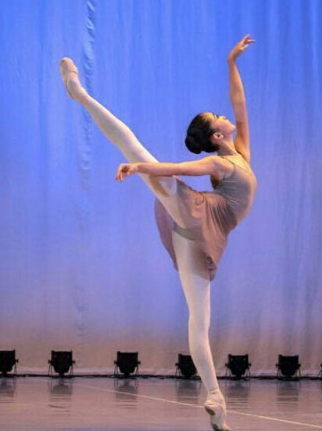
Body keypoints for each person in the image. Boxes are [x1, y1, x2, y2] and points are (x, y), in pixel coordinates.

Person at [59, 34, 257, 431]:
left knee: (199, 319)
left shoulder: (240, 153)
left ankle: (215, 398)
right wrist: (140, 169)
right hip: (199, 216)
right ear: (216, 136)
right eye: (217, 116)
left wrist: (231, 62)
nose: (225, 115)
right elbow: (180, 169)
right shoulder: (222, 164)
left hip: (201, 237)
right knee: (135, 149)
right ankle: (80, 95)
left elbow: (240, 104)